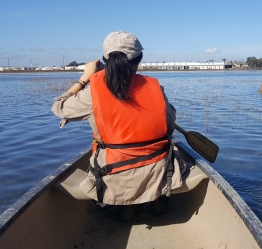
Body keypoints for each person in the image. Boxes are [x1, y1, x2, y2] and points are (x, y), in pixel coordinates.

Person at [52, 31, 186, 222]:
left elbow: (59, 107)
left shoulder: (93, 91)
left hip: (115, 171)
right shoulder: (155, 87)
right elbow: (169, 124)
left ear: (106, 60)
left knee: (120, 181)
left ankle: (126, 211)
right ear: (139, 60)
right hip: (157, 168)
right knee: (166, 155)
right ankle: (158, 203)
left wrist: (85, 79)